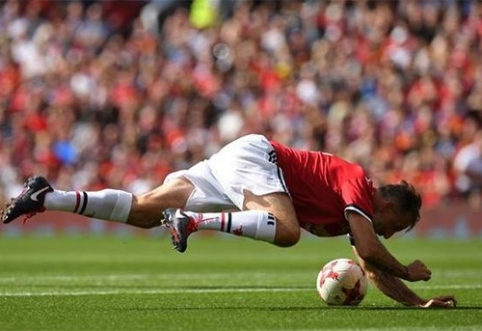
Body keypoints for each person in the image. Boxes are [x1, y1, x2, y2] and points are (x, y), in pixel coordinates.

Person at [2, 134, 456, 308]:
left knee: (143, 212)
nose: (394, 232)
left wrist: (416, 303)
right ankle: (193, 224)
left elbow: (370, 263)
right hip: (257, 157)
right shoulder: (358, 184)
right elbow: (375, 253)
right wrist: (409, 269)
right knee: (287, 232)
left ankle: (49, 195)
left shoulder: (350, 207)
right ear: (390, 205)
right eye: (401, 224)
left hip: (233, 162)